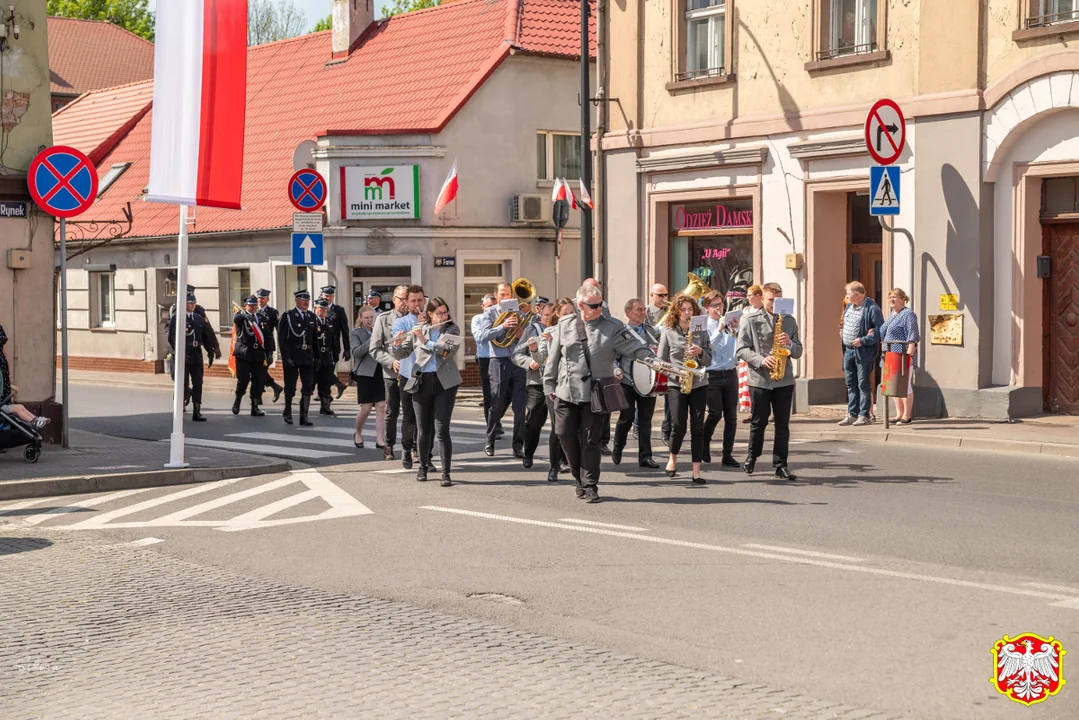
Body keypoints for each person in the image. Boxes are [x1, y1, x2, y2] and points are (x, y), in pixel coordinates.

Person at [543, 284, 654, 503]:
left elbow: (633, 346)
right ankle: (578, 477)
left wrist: (652, 359)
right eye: (594, 305)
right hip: (566, 390)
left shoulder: (612, 326)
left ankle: (591, 484)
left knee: (591, 440)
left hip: (596, 392)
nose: (599, 309)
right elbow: (554, 358)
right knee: (564, 433)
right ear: (580, 305)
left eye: (600, 304)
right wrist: (549, 385)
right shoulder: (564, 324)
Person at [736, 282, 803, 480]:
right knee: (759, 422)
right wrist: (761, 360)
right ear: (763, 298)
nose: (775, 304)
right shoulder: (750, 319)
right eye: (771, 300)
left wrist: (789, 344)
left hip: (784, 379)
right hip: (760, 378)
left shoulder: (789, 320)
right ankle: (751, 457)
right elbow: (741, 349)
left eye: (778, 300)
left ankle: (781, 464)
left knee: (782, 424)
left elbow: (798, 351)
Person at [395, 297, 461, 487]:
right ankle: (422, 467)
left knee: (442, 429)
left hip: (444, 384)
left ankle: (446, 473)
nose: (443, 316)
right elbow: (402, 353)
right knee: (423, 429)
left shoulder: (451, 330)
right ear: (430, 315)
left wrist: (426, 341)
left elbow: (447, 351)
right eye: (439, 313)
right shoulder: (419, 329)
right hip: (422, 382)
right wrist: (398, 343)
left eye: (445, 312)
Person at [658, 293, 713, 484]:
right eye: (683, 309)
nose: (687, 312)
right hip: (676, 383)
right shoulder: (668, 331)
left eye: (690, 309)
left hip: (699, 383)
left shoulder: (701, 331)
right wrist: (676, 372)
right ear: (676, 311)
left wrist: (700, 352)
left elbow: (709, 359)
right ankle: (672, 458)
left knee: (698, 427)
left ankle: (696, 471)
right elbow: (660, 361)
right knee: (678, 425)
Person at [474, 281, 526, 458]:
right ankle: (490, 439)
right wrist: (503, 326)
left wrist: (521, 335)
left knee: (520, 406)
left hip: (518, 360)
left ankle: (518, 445)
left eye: (508, 294)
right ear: (496, 296)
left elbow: (528, 339)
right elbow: (482, 336)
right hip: (498, 360)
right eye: (502, 294)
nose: (506, 297)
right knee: (496, 403)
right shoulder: (489, 312)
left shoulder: (519, 313)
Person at [611, 298, 661, 469]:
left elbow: (656, 352)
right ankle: (618, 447)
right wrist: (615, 370)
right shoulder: (622, 332)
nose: (642, 313)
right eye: (639, 310)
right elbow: (614, 357)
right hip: (627, 382)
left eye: (643, 310)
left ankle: (645, 456)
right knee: (627, 417)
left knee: (646, 420)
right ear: (628, 313)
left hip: (648, 382)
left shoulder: (650, 331)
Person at [701, 290, 741, 467]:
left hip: (730, 373)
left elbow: (739, 345)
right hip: (713, 375)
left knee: (731, 416)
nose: (719, 308)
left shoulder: (728, 324)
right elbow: (708, 348)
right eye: (715, 305)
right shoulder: (705, 326)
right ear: (707, 308)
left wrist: (736, 328)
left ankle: (727, 454)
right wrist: (719, 330)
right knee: (715, 413)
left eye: (721, 305)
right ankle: (704, 443)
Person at [514, 300, 554, 472]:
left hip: (557, 383)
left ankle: (560, 460)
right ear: (540, 315)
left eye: (553, 316)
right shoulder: (532, 329)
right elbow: (516, 355)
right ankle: (528, 453)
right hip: (536, 382)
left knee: (560, 424)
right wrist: (530, 361)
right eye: (546, 316)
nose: (549, 319)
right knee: (533, 423)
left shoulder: (562, 330)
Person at [389, 285, 426, 469]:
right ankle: (406, 449)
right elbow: (399, 347)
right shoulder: (402, 322)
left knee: (426, 417)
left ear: (424, 300)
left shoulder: (430, 319)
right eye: (413, 301)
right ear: (407, 302)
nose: (416, 304)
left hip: (428, 374)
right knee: (409, 417)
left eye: (420, 300)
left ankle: (422, 452)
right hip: (408, 374)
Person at [838, 281, 884, 427]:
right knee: (850, 383)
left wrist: (863, 340)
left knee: (863, 383)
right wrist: (843, 332)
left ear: (857, 294)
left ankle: (864, 415)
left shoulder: (872, 309)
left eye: (848, 293)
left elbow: (880, 331)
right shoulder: (850, 307)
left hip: (862, 352)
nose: (846, 296)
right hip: (848, 350)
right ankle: (852, 414)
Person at [370, 285, 408, 461]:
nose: (405, 302)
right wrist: (392, 362)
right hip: (392, 373)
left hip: (412, 373)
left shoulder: (415, 319)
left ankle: (411, 447)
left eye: (407, 298)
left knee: (412, 413)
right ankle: (389, 445)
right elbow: (375, 349)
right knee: (392, 412)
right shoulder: (383, 319)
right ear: (394, 299)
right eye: (401, 299)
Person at [167, 292, 216, 422]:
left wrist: (210, 351)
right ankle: (180, 405)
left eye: (194, 302)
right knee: (182, 382)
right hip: (185, 352)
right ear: (184, 304)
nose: (193, 305)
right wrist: (180, 352)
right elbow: (172, 337)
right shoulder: (178, 318)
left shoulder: (198, 318)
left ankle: (197, 411)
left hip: (196, 353)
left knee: (198, 383)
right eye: (190, 302)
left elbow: (205, 337)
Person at [278, 289, 318, 426]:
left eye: (308, 299)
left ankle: (304, 416)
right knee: (290, 386)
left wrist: (316, 357)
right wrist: (286, 357)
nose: (306, 302)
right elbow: (282, 339)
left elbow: (315, 340)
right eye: (303, 299)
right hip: (292, 356)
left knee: (308, 387)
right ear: (296, 300)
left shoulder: (312, 317)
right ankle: (287, 411)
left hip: (307, 356)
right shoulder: (288, 316)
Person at [879, 287, 919, 424]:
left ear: (903, 299)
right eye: (890, 297)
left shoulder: (908, 314)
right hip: (890, 355)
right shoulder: (892, 315)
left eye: (895, 297)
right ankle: (899, 414)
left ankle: (906, 416)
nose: (891, 299)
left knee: (905, 385)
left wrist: (908, 358)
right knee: (894, 386)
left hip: (902, 355)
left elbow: (913, 337)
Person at [350, 305, 385, 448]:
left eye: (372, 317)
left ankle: (380, 439)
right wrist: (372, 339)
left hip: (380, 371)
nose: (370, 320)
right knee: (366, 408)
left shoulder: (381, 331)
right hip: (365, 373)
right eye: (367, 318)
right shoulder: (356, 333)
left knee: (381, 406)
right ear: (361, 318)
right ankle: (358, 432)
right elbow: (356, 352)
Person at [231, 296, 269, 417]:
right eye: (250, 305)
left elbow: (267, 336)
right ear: (245, 306)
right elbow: (236, 319)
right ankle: (238, 400)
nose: (253, 307)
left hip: (258, 354)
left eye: (254, 305)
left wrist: (269, 352)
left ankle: (255, 406)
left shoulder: (261, 318)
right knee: (243, 380)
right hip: (244, 354)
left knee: (258, 380)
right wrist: (244, 316)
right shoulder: (242, 318)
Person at [470, 293, 502, 439]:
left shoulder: (501, 317)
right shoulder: (478, 319)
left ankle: (497, 421)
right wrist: (497, 329)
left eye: (494, 307)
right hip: (486, 359)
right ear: (483, 307)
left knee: (503, 393)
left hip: (501, 357)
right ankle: (492, 427)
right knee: (489, 394)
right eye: (489, 306)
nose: (491, 310)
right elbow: (479, 337)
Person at [737, 285, 764, 422]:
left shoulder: (763, 310)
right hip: (747, 351)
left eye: (750, 295)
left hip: (757, 351)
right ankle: (751, 411)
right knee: (747, 383)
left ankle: (759, 411)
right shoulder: (746, 310)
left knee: (758, 383)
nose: (747, 298)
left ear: (759, 296)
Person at [319, 286, 351, 399]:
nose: (328, 298)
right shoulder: (317, 308)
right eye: (326, 295)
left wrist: (347, 348)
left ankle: (325, 395)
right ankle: (331, 388)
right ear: (322, 295)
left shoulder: (338, 310)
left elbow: (344, 330)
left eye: (331, 295)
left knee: (328, 371)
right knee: (321, 371)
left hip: (332, 347)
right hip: (319, 347)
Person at [313, 298, 341, 417]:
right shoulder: (312, 322)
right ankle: (304, 410)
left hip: (327, 356)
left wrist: (335, 355)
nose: (323, 311)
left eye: (325, 309)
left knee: (326, 382)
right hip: (316, 356)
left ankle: (325, 407)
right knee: (311, 382)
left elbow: (333, 340)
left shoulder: (329, 322)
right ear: (315, 309)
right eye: (321, 309)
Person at [255, 289, 284, 404]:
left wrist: (280, 347)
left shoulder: (272, 312)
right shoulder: (253, 311)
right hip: (255, 347)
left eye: (262, 298)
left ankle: (259, 396)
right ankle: (274, 387)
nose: (260, 300)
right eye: (258, 298)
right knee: (257, 372)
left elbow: (279, 329)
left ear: (267, 299)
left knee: (260, 371)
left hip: (266, 347)